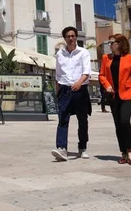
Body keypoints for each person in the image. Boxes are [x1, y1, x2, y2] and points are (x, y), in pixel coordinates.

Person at [99, 34, 131, 166]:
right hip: (113, 95)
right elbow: (102, 75)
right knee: (118, 124)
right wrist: (107, 85)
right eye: (109, 42)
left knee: (124, 121)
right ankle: (123, 152)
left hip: (127, 94)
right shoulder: (106, 58)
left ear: (120, 44)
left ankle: (130, 150)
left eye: (113, 42)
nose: (110, 45)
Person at [51, 26, 92, 162]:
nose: (71, 38)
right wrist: (58, 91)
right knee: (63, 119)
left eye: (73, 36)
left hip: (80, 89)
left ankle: (82, 148)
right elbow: (58, 75)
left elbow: (86, 72)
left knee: (82, 120)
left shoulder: (83, 52)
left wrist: (79, 82)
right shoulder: (60, 54)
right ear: (65, 38)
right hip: (65, 90)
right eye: (68, 36)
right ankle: (62, 148)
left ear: (76, 37)